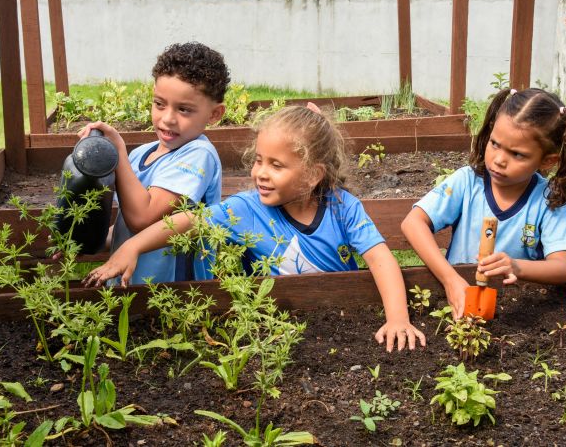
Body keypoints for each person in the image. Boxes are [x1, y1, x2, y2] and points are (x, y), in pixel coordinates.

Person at [84, 104, 426, 352]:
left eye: (276, 165)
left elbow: (380, 258)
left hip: (342, 315)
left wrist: (397, 318)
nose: (261, 172)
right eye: (259, 160)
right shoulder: (246, 208)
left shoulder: (341, 206)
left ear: (312, 174)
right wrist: (132, 247)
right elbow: (188, 221)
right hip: (274, 330)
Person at [401, 87, 566, 319]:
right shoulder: (467, 182)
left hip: (515, 310)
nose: (499, 160)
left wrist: (516, 267)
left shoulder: (547, 199)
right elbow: (413, 223)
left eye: (517, 154)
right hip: (457, 295)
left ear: (547, 161)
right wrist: (450, 280)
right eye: (495, 144)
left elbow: (562, 268)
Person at [78, 42, 230, 285]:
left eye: (184, 109)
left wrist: (117, 150)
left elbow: (143, 217)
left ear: (214, 114)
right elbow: (126, 227)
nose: (167, 119)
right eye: (159, 104)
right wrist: (86, 242)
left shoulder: (199, 154)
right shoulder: (140, 155)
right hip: (131, 292)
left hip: (173, 297)